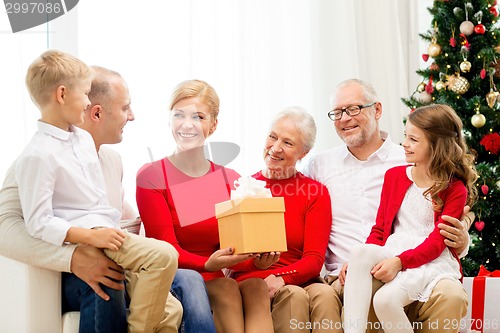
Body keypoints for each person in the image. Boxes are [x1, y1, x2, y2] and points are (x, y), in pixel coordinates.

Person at [15, 50, 178, 333]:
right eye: (86, 93)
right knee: (163, 256)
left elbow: (98, 201)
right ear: (63, 94)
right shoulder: (36, 156)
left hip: (107, 232)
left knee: (171, 309)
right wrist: (90, 236)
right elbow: (38, 222)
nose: (90, 101)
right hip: (90, 237)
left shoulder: (81, 140)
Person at [303, 79, 473, 333]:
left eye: (353, 109)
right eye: (337, 112)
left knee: (450, 295)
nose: (344, 118)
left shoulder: (407, 161)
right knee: (364, 263)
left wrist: (462, 240)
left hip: (417, 262)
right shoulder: (320, 165)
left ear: (377, 110)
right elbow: (378, 228)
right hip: (356, 270)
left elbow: (451, 227)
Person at [136, 79, 274, 333]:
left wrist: (257, 263)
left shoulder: (228, 179)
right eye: (179, 115)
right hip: (178, 278)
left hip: (215, 276)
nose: (187, 125)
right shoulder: (152, 176)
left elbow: (232, 254)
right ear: (169, 120)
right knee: (226, 287)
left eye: (198, 117)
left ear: (213, 124)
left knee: (256, 286)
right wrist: (207, 265)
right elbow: (167, 250)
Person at [342, 104, 477, 333]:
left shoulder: (454, 188)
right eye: (406, 136)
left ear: (436, 146)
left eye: (413, 139)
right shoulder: (394, 176)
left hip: (431, 261)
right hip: (395, 249)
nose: (404, 143)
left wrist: (400, 262)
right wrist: (360, 263)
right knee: (358, 253)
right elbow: (379, 229)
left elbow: (437, 244)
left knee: (385, 301)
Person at [230, 107, 334, 333]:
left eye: (288, 143)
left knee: (326, 294)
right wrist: (261, 268)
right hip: (254, 280)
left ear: (304, 153)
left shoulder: (315, 192)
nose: (275, 148)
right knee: (294, 296)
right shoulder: (244, 188)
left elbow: (314, 259)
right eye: (272, 137)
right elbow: (230, 256)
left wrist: (281, 277)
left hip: (301, 276)